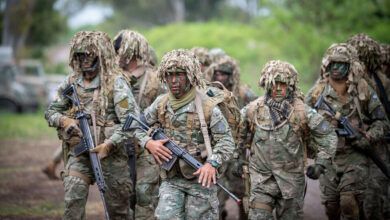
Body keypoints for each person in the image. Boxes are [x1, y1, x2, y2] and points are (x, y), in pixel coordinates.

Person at [45, 30, 138, 219]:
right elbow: (50, 112)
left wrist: (109, 144)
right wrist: (65, 121)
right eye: (81, 56)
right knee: (73, 199)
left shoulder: (115, 83)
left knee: (117, 211)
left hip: (111, 157)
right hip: (79, 154)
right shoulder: (72, 82)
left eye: (90, 56)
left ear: (101, 55)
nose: (85, 61)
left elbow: (131, 123)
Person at [135, 49, 235, 219]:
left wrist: (212, 163)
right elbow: (136, 125)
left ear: (190, 76)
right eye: (169, 75)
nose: (173, 80)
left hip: (201, 181)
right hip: (171, 180)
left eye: (179, 75)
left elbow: (226, 141)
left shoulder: (207, 106)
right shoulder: (161, 103)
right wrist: (148, 143)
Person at [239, 60, 337, 220]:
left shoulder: (302, 111)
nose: (278, 89)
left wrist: (321, 164)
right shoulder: (253, 109)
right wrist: (238, 160)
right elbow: (237, 134)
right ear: (267, 84)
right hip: (261, 182)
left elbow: (329, 136)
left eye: (282, 84)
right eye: (274, 84)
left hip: (291, 183)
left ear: (290, 85)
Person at [305, 43, 389, 220]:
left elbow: (382, 121)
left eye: (341, 64)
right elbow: (302, 118)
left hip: (355, 155)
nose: (336, 68)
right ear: (327, 65)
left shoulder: (362, 88)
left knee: (348, 204)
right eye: (333, 63)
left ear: (350, 66)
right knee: (331, 207)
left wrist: (368, 136)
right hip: (328, 157)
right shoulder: (317, 91)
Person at [113, 29, 165, 220]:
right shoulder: (112, 78)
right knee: (121, 200)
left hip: (147, 149)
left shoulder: (155, 79)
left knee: (145, 196)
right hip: (118, 147)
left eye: (120, 50)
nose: (117, 54)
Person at [347, 34, 390, 220]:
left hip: (376, 147)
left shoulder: (382, 83)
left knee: (373, 199)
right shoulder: (342, 80)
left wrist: (371, 136)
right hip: (349, 148)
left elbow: (384, 119)